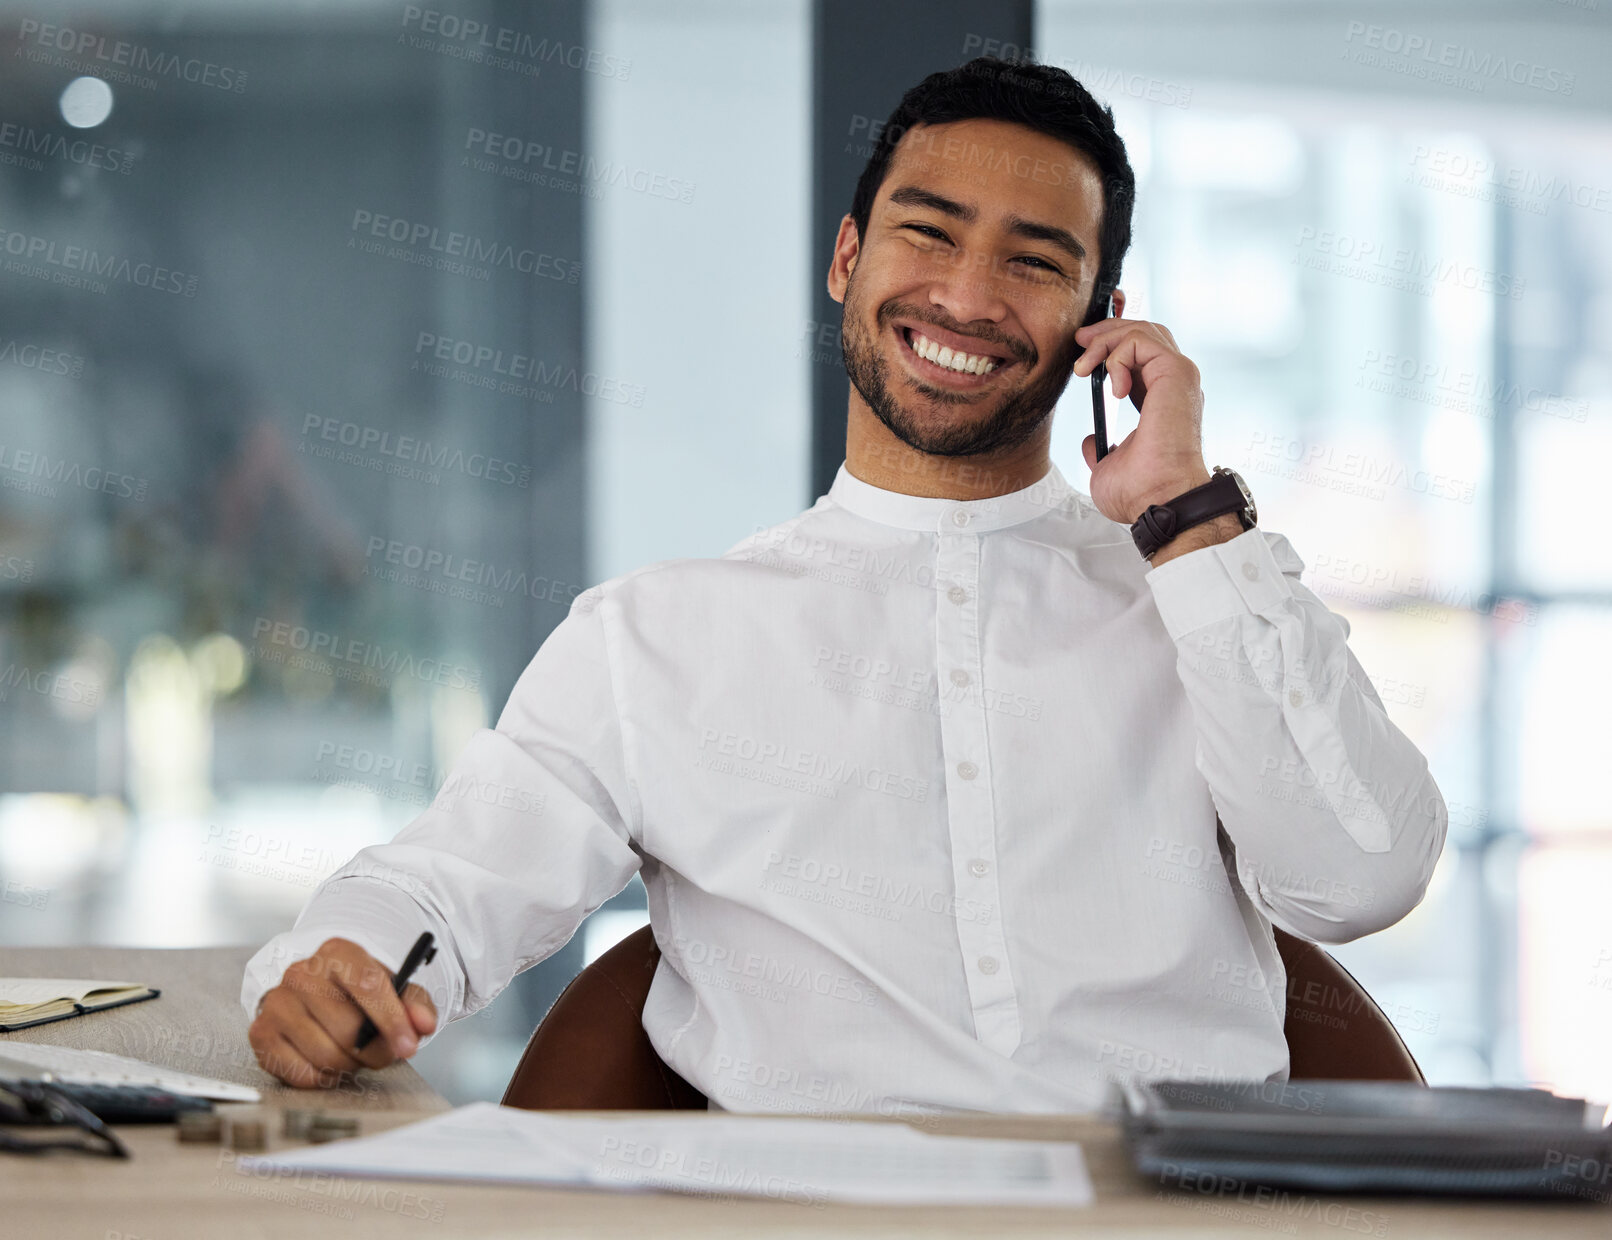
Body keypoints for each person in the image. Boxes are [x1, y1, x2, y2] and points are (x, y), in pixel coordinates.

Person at [242, 56, 1446, 1114]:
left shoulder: (1202, 606)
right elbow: (439, 889)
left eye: (1034, 262)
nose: (969, 299)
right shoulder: (659, 636)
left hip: (1170, 1219)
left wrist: (1189, 516)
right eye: (930, 233)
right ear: (846, 258)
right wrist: (338, 969)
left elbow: (1363, 876)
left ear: (1101, 323)